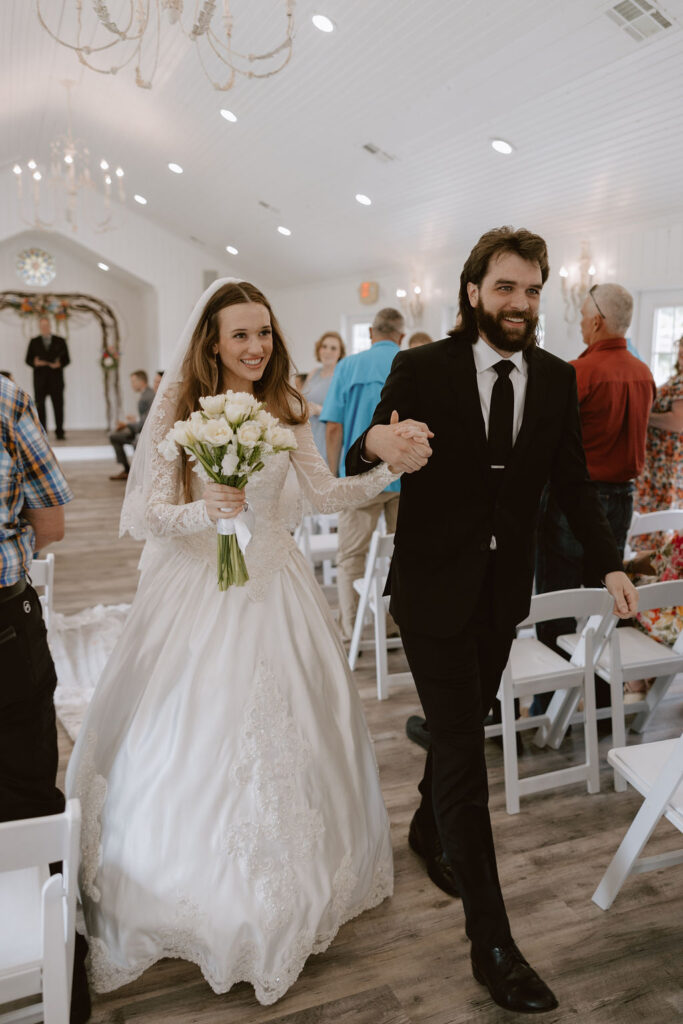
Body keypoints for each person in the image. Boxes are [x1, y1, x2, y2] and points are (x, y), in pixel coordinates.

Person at [65, 279, 428, 1002]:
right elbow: (144, 514)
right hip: (200, 591)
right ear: (212, 343)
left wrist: (389, 473)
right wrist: (204, 510)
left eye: (263, 332)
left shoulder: (287, 406)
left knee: (293, 739)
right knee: (195, 741)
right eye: (240, 334)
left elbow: (323, 495)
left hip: (276, 585)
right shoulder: (182, 411)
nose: (256, 346)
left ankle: (291, 895)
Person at [345, 227, 638, 1015]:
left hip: (501, 595)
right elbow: (356, 455)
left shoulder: (552, 378)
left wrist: (609, 560)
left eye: (533, 291)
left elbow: (573, 484)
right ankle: (494, 946)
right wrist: (380, 439)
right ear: (472, 291)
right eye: (505, 288)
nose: (519, 304)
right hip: (435, 592)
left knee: (458, 726)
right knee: (466, 761)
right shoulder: (422, 366)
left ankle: (424, 824)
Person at [0, 374, 90, 1023]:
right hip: (4, 621)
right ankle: (57, 959)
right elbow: (51, 521)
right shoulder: (4, 398)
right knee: (28, 785)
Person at [531, 283, 655, 714]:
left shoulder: (578, 372)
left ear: (597, 321)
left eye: (584, 315)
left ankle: (549, 703)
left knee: (557, 600)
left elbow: (545, 441)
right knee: (605, 598)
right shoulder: (643, 372)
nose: (581, 322)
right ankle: (602, 703)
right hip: (622, 497)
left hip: (577, 501)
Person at [320, 308, 405, 642]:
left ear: (371, 333)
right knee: (403, 553)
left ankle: (351, 630)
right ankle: (396, 627)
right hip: (403, 475)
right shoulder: (412, 362)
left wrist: (334, 474)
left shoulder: (348, 366)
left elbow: (333, 428)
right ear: (401, 335)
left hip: (358, 477)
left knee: (352, 555)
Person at [636, 337, 683, 512]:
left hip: (666, 463)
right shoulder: (677, 379)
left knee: (657, 518)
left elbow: (678, 422)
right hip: (659, 461)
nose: (681, 351)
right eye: (681, 346)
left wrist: (644, 417)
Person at [25, 316, 71, 440]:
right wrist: (35, 363)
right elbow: (28, 360)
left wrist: (59, 364)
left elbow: (67, 359)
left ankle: (60, 431)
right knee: (40, 407)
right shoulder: (34, 341)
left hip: (56, 379)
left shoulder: (60, 341)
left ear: (50, 326)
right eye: (42, 326)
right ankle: (42, 432)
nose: (45, 328)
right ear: (40, 327)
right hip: (40, 380)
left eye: (46, 325)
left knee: (58, 406)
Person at [302, 331, 345, 456]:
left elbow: (343, 412)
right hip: (309, 434)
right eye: (324, 346)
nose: (328, 351)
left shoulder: (340, 377)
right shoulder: (313, 372)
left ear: (340, 353)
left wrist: (318, 410)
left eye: (333, 348)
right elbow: (302, 399)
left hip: (327, 436)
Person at [108, 370, 155, 480]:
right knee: (114, 435)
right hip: (140, 428)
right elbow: (145, 417)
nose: (132, 385)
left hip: (143, 431)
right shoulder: (146, 394)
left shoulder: (148, 396)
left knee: (114, 436)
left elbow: (144, 423)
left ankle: (130, 470)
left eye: (133, 382)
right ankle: (127, 469)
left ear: (142, 381)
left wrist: (127, 425)